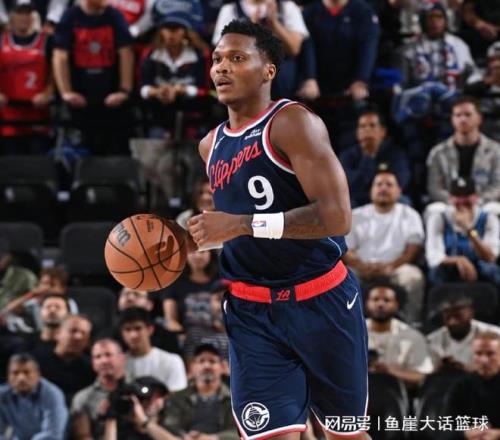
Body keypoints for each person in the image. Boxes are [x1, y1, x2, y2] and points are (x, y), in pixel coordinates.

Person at [186, 20, 369, 439]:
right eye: (217, 59)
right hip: (252, 311)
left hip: (321, 300)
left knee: (345, 434)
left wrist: (240, 225)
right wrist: (188, 240)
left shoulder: (293, 122)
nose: (221, 68)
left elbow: (337, 217)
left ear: (268, 70)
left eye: (237, 58)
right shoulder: (210, 145)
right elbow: (232, 226)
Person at [52, 0, 134, 155]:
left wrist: (124, 90)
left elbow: (126, 53)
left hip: (111, 99)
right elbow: (60, 56)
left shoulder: (115, 16)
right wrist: (66, 92)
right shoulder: (70, 16)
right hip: (80, 99)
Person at [344, 170, 425, 323]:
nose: (383, 188)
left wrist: (391, 267)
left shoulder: (410, 215)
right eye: (379, 184)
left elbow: (412, 249)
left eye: (389, 185)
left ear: (399, 191)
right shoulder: (355, 215)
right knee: (343, 276)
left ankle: (411, 323)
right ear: (371, 190)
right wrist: (361, 266)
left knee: (413, 277)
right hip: (361, 267)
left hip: (396, 267)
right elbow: (347, 249)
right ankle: (349, 323)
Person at [128, 343, 238, 440]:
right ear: (192, 367)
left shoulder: (235, 399)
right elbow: (170, 425)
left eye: (212, 361)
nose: (206, 366)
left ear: (223, 366)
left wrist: (213, 438)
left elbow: (240, 430)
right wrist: (185, 436)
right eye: (201, 361)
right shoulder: (177, 398)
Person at [426, 96, 500, 215]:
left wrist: (477, 201)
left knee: (494, 209)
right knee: (434, 209)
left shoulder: (496, 151)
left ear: (479, 118)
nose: (463, 119)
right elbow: (434, 187)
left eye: (468, 115)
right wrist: (453, 201)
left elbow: (497, 185)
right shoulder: (438, 152)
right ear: (452, 119)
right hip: (450, 205)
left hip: (483, 204)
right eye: (458, 115)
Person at [0, 0, 54, 155]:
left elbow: (54, 74)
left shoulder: (46, 41)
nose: (24, 17)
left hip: (37, 115)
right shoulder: (1, 41)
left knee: (37, 162)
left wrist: (48, 93)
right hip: (8, 116)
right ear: (11, 15)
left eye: (28, 13)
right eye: (20, 13)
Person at [425, 177, 500, 286]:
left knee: (491, 271)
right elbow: (433, 257)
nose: (462, 201)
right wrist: (458, 260)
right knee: (436, 273)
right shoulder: (439, 217)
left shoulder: (488, 218)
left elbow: (490, 257)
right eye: (458, 196)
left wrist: (469, 230)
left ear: (475, 197)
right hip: (450, 265)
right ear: (450, 198)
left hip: (479, 266)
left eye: (466, 196)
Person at [365, 285, 434, 387]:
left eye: (387, 300)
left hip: (396, 393)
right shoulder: (353, 331)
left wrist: (390, 372)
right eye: (375, 299)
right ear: (367, 304)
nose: (380, 304)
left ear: (396, 305)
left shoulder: (412, 336)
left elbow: (421, 376)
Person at [339, 110, 410, 208]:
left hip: (387, 198)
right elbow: (348, 186)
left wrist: (377, 192)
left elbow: (400, 182)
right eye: (362, 126)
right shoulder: (347, 155)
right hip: (357, 200)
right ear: (357, 133)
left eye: (372, 125)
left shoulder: (396, 154)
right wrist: (368, 156)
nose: (367, 129)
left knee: (404, 201)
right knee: (345, 204)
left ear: (383, 131)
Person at [162, 250, 219, 360]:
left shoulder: (221, 280)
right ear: (185, 255)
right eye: (193, 252)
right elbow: (170, 320)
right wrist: (182, 334)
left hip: (219, 335)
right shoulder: (174, 282)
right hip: (188, 337)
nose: (198, 256)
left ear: (211, 254)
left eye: (203, 252)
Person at [0, 353, 68, 440]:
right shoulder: (2, 395)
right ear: (8, 376)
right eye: (15, 373)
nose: (21, 378)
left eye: (26, 372)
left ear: (38, 374)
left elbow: (52, 434)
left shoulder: (52, 394)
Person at [70, 338, 127, 439]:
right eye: (98, 357)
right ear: (93, 363)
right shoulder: (83, 398)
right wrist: (102, 418)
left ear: (122, 358)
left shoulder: (138, 390)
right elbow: (83, 436)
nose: (103, 361)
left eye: (108, 355)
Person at [119, 307, 187, 393]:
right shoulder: (118, 364)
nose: (133, 335)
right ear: (122, 333)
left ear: (150, 329)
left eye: (138, 328)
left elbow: (178, 397)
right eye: (128, 329)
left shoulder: (172, 361)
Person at [31, 314, 95, 403]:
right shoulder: (34, 362)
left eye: (84, 333)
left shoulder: (92, 369)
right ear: (57, 334)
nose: (78, 337)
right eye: (73, 331)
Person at [447, 332, 500, 438]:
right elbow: (445, 428)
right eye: (478, 354)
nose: (484, 360)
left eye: (490, 354)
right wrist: (465, 433)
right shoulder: (461, 386)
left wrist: (498, 434)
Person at [427, 295, 500, 372]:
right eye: (448, 317)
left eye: (457, 316)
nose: (452, 322)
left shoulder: (496, 334)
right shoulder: (431, 340)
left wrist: (465, 369)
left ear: (471, 313)